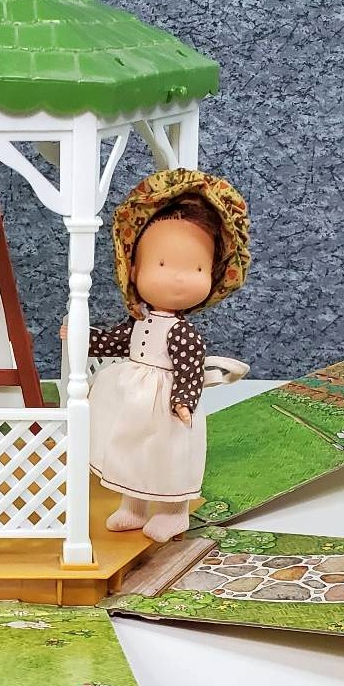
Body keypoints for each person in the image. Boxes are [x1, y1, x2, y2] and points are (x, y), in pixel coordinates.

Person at [79, 169, 250, 542]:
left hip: (166, 403)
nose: (178, 277)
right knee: (132, 451)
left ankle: (174, 513)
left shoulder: (183, 333)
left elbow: (190, 369)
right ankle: (133, 507)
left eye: (196, 268)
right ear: (133, 269)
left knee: (165, 457)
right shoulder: (139, 321)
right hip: (133, 397)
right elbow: (117, 342)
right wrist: (84, 339)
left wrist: (183, 400)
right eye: (162, 265)